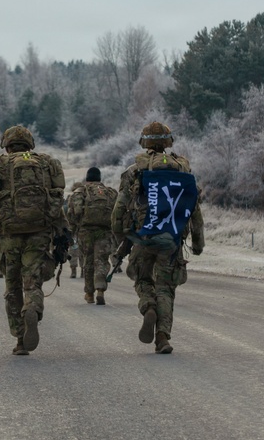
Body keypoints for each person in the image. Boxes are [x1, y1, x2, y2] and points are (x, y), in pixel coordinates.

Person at [0, 125, 68, 356]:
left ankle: (20, 339)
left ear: (6, 145)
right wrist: (64, 234)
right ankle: (32, 308)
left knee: (12, 286)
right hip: (40, 232)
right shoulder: (45, 165)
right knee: (32, 282)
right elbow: (56, 202)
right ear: (30, 144)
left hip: (9, 234)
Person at [112, 122, 204, 354]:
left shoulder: (135, 172)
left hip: (143, 237)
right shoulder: (182, 171)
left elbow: (119, 209)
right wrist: (198, 242)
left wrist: (119, 238)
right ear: (168, 142)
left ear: (144, 142)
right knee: (166, 287)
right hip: (172, 239)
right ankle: (162, 337)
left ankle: (148, 306)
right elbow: (194, 209)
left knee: (142, 279)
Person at [68, 167, 118, 305]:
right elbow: (118, 212)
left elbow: (73, 214)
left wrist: (71, 231)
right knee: (101, 260)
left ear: (87, 178)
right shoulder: (110, 192)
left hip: (86, 232)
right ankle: (100, 289)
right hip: (105, 231)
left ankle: (89, 293)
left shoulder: (80, 192)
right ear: (100, 178)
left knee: (88, 261)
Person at [64, 182, 84, 278]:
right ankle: (83, 270)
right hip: (84, 228)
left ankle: (73, 270)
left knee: (73, 248)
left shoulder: (71, 197)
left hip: (73, 227)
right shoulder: (86, 196)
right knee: (83, 250)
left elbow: (68, 213)